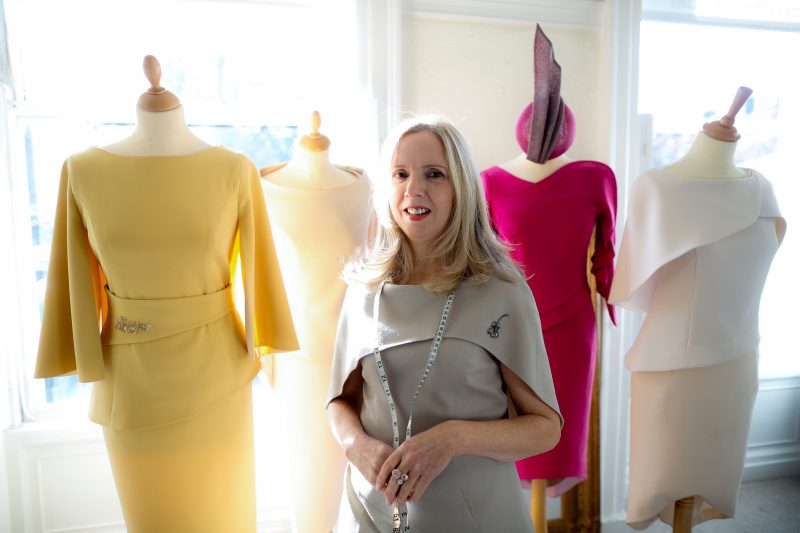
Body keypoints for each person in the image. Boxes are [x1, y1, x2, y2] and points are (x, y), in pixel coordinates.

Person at [34, 56, 298, 532]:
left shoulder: (235, 169)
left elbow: (261, 267)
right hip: (131, 386)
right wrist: (83, 355)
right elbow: (71, 274)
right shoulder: (81, 172)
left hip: (216, 379)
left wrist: (266, 345)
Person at [327, 114, 562, 532]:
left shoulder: (501, 290)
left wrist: (454, 438)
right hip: (371, 514)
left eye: (434, 174)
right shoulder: (364, 289)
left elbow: (544, 429)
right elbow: (340, 402)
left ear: (462, 189)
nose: (413, 190)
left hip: (474, 517)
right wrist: (354, 445)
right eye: (400, 174)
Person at [610, 87, 786, 532]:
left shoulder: (764, 191)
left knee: (712, 476)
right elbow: (633, 286)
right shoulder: (656, 188)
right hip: (672, 370)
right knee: (669, 481)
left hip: (738, 365)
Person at [260, 111, 371, 532]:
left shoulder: (361, 187)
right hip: (297, 357)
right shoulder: (265, 187)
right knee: (308, 481)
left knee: (358, 480)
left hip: (357, 351)